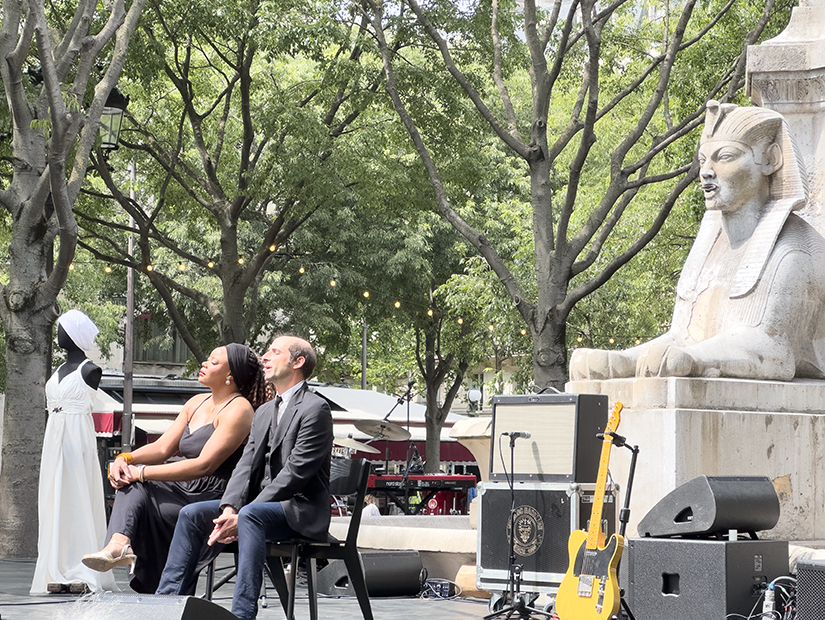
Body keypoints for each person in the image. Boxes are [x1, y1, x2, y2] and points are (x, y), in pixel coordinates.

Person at [570, 101, 825, 382]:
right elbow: (685, 338)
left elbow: (773, 351)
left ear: (770, 159)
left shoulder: (795, 250)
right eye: (703, 160)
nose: (706, 171)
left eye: (725, 157)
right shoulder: (712, 243)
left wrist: (696, 359)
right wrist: (626, 361)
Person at [156, 334, 333, 620]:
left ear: (297, 362)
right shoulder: (263, 411)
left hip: (300, 509)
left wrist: (245, 512)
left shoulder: (316, 409)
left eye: (275, 351)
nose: (265, 356)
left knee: (251, 516)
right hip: (257, 509)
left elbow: (296, 473)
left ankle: (242, 614)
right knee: (191, 514)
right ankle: (165, 606)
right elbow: (245, 465)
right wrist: (230, 508)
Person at [81, 343, 267, 594]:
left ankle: (155, 578)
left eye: (213, 362)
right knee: (131, 484)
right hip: (183, 487)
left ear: (230, 376)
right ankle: (119, 543)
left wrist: (141, 472)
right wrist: (126, 458)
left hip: (212, 496)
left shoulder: (240, 409)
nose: (204, 364)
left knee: (138, 482)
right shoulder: (196, 402)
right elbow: (162, 449)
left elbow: (204, 465)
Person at [31, 310, 116, 594]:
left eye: (64, 329)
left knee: (77, 498)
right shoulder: (57, 370)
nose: (58, 334)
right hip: (54, 439)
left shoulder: (90, 371)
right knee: (54, 500)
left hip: (77, 437)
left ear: (75, 333)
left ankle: (82, 569)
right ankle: (56, 567)